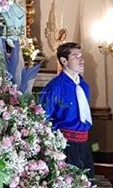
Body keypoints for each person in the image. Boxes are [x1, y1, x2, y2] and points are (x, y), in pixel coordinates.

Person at [40, 41, 94, 178]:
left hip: (84, 143)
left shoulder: (84, 86)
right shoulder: (55, 87)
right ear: (64, 61)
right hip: (66, 145)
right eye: (75, 56)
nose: (81, 60)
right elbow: (43, 117)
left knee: (88, 183)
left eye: (81, 56)